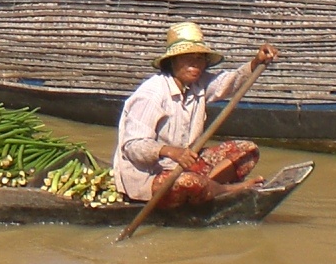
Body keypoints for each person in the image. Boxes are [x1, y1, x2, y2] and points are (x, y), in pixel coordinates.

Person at [111, 22, 260, 206]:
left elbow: (227, 84)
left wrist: (255, 64)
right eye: (187, 58)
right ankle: (225, 189)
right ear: (173, 61)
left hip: (184, 167)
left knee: (247, 150)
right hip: (148, 178)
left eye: (199, 58)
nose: (195, 65)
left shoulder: (197, 85)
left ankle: (208, 188)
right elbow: (133, 146)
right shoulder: (151, 95)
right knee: (189, 183)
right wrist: (169, 151)